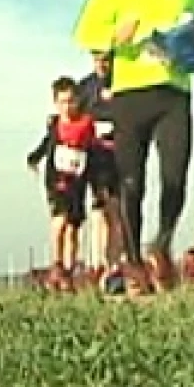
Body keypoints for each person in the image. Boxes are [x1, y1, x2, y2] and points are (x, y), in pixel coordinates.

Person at [71, 0, 194, 294]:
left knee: (175, 177)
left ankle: (161, 243)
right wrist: (119, 34)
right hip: (131, 92)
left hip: (174, 91)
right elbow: (87, 34)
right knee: (131, 184)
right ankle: (133, 266)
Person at [26, 76, 99, 291]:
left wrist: (96, 183)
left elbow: (92, 151)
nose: (67, 107)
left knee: (73, 226)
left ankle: (68, 269)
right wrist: (34, 158)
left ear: (78, 101)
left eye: (71, 101)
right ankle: (56, 264)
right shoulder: (55, 125)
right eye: (62, 102)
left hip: (78, 179)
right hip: (57, 179)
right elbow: (46, 143)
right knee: (60, 220)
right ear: (55, 103)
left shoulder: (86, 123)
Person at [75, 52, 129, 293]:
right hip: (96, 160)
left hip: (122, 155)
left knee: (118, 212)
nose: (102, 64)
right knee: (100, 212)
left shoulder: (125, 83)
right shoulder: (84, 88)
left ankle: (115, 267)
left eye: (106, 59)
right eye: (98, 58)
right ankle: (99, 265)